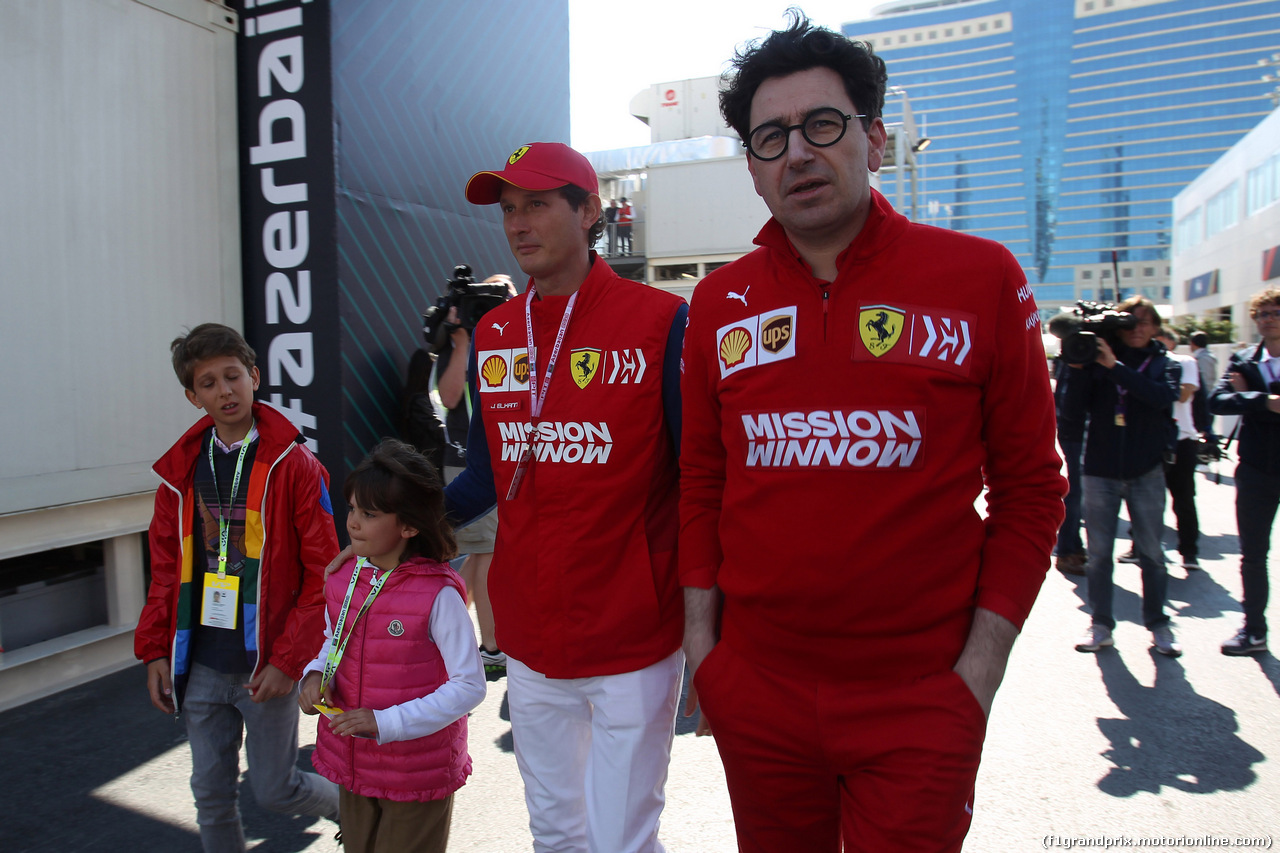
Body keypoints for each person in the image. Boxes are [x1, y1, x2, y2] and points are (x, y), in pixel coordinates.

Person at [677, 15, 1066, 853]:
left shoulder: (981, 277)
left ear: (876, 140)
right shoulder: (718, 304)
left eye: (823, 124)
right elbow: (702, 482)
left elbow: (1033, 487)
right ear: (751, 167)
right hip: (758, 692)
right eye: (770, 137)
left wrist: (979, 673)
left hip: (922, 698)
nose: (798, 154)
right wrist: (704, 653)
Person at [448, 142, 687, 853]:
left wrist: (711, 618)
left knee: (620, 840)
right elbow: (486, 474)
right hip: (529, 633)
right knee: (555, 834)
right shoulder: (495, 333)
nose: (519, 223)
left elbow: (703, 476)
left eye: (538, 204)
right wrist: (399, 526)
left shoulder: (660, 320)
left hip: (633, 632)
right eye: (509, 209)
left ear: (588, 212)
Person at [134, 323, 340, 853]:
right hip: (200, 662)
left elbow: (324, 572)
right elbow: (163, 571)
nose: (224, 391)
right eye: (208, 383)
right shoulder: (179, 474)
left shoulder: (295, 466)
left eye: (232, 376)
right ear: (192, 396)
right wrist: (156, 648)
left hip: (264, 666)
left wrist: (289, 661)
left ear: (253, 377)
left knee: (277, 790)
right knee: (209, 792)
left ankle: (352, 806)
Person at [301, 439, 486, 853]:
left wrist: (386, 724)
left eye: (369, 514)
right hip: (355, 763)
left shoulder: (438, 595)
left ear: (408, 526)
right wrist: (314, 674)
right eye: (351, 509)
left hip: (416, 774)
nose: (353, 523)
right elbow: (334, 641)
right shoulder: (342, 576)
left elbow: (470, 685)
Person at [1060, 297, 1180, 656]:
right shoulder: (1095, 360)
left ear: (1156, 326)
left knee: (1152, 554)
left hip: (1146, 471)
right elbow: (1070, 412)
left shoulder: (1164, 362)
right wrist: (1078, 368)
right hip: (1099, 471)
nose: (1138, 329)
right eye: (1130, 323)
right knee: (1098, 555)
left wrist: (1114, 368)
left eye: (1145, 322)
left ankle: (1159, 625)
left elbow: (1160, 397)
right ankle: (1100, 625)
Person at [434, 275, 518, 679]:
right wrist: (464, 340)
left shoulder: (519, 339)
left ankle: (447, 636)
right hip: (467, 464)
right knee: (486, 556)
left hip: (501, 461)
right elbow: (449, 398)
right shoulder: (458, 343)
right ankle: (492, 647)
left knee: (477, 557)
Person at [1209, 287, 1280, 656]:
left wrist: (1248, 397)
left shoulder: (1248, 369)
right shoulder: (1244, 360)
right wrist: (1263, 400)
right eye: (1262, 313)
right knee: (1253, 554)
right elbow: (1217, 401)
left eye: (1275, 312)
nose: (1268, 319)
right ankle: (1254, 630)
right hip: (1256, 468)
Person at [1156, 329, 1202, 572]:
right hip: (1154, 441)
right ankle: (1139, 547)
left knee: (1183, 500)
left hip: (1182, 440)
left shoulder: (1184, 361)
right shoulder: (1145, 365)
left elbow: (1183, 395)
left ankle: (1189, 551)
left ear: (1171, 342)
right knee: (1147, 502)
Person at [1055, 354, 1088, 575]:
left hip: (1098, 437)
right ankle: (1067, 550)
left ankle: (1072, 546)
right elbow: (1066, 405)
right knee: (1074, 494)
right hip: (1074, 437)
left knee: (1077, 495)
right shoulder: (1075, 356)